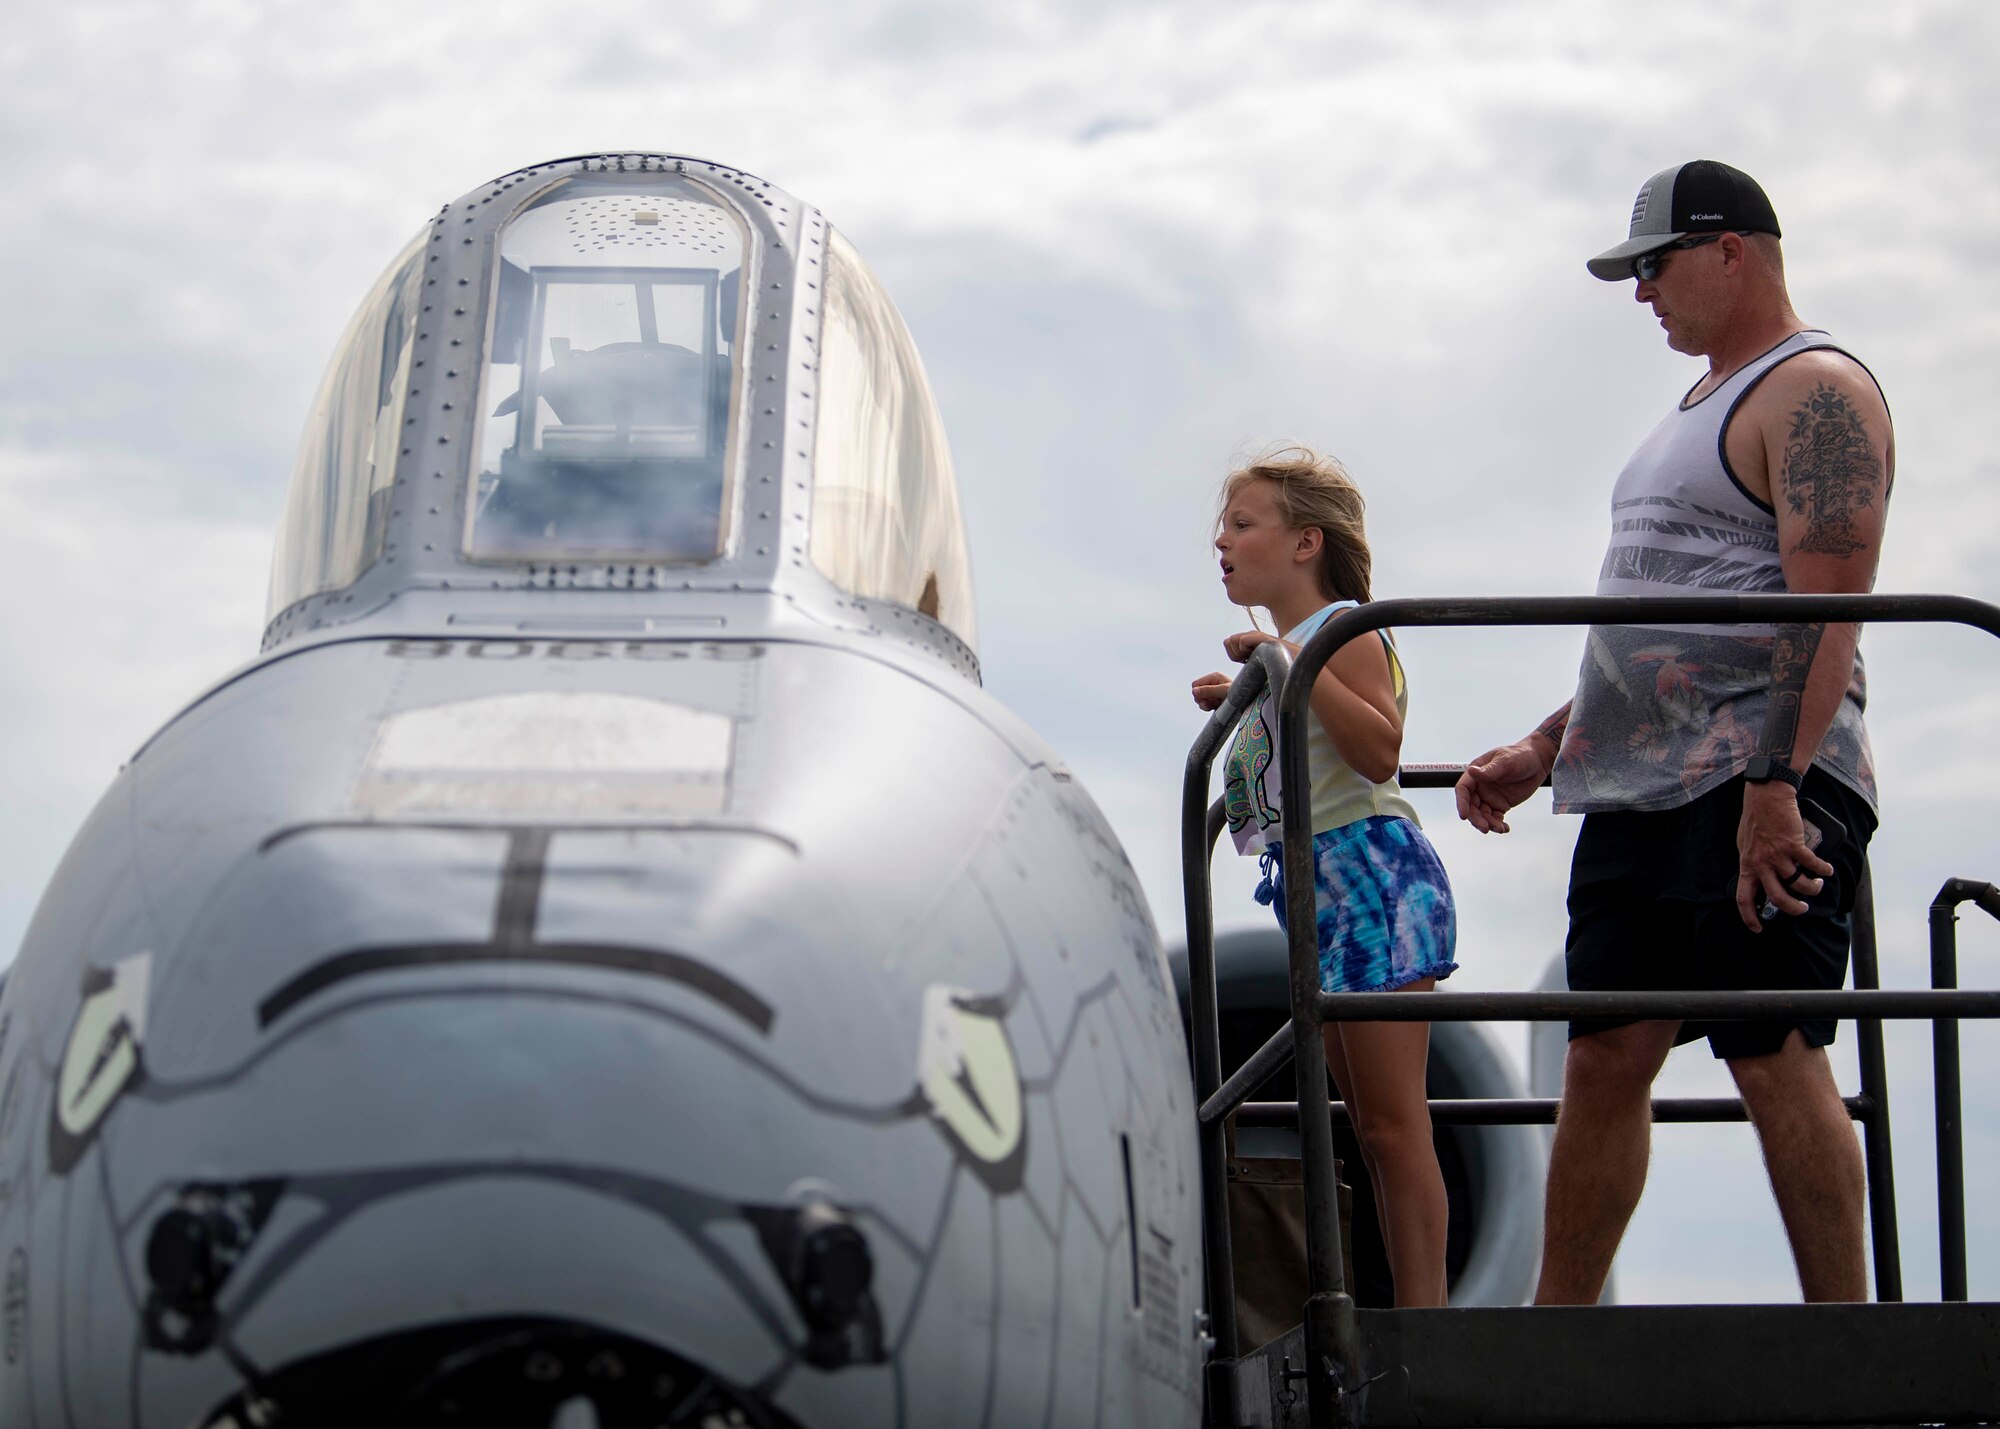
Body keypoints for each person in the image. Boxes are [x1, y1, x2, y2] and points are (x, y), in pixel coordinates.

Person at [1454, 160, 1893, 1304]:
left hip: (1756, 780)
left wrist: (1772, 783)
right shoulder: (1694, 408)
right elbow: (1653, 620)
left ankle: (1847, 1340)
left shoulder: (1817, 390)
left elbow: (1825, 603)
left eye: (1652, 265)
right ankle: (1555, 1339)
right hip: (1641, 791)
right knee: (1600, 1055)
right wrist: (1544, 746)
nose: (1640, 291)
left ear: (1729, 251)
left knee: (1771, 1046)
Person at [1192, 447, 1458, 1307]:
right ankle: (1411, 1311)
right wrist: (1256, 686)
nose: (1222, 541)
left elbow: (1379, 745)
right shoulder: (1296, 644)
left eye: (1242, 523)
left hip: (1371, 872)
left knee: (1392, 1121)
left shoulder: (1341, 625)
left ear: (1306, 540)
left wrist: (1282, 666)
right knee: (1370, 1130)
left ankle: (1428, 1319)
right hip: (1318, 886)